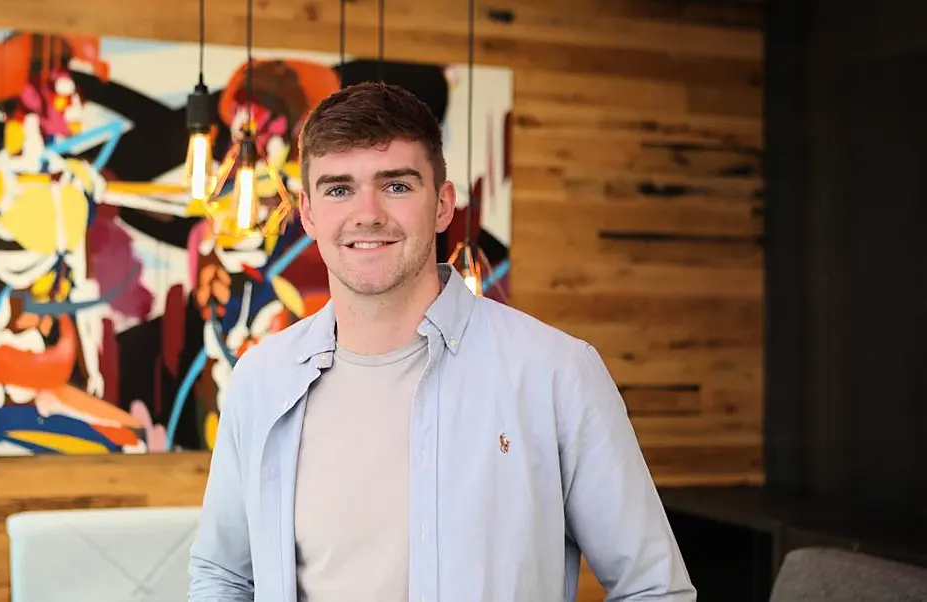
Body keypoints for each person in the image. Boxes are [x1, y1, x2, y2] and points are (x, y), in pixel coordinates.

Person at [188, 81, 696, 602]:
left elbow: (653, 588)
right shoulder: (261, 379)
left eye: (397, 186)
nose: (368, 214)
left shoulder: (555, 373)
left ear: (442, 205)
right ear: (310, 212)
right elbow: (224, 576)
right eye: (339, 188)